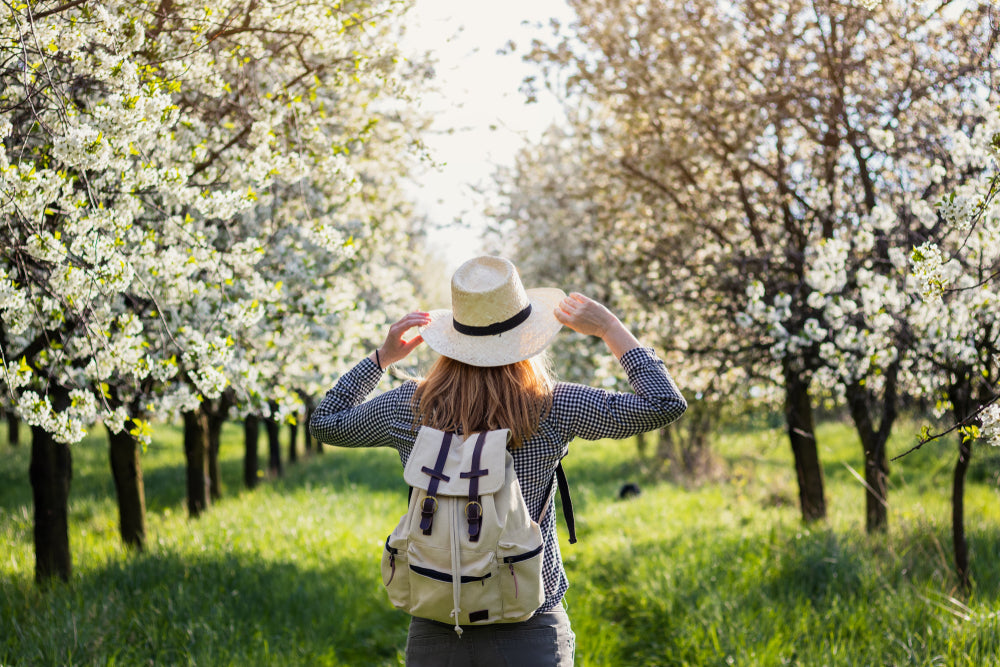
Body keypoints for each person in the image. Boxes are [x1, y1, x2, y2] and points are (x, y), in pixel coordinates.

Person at [309, 255, 687, 667]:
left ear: (453, 338)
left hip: (438, 617)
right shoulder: (551, 407)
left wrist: (381, 358)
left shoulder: (409, 406)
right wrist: (610, 328)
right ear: (526, 337)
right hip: (528, 623)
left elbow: (326, 423)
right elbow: (663, 403)